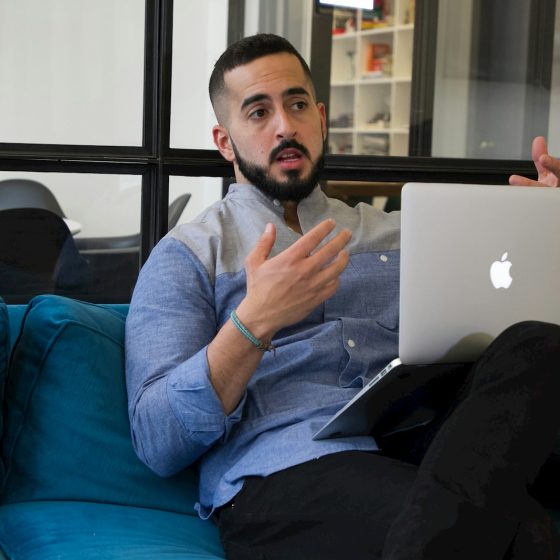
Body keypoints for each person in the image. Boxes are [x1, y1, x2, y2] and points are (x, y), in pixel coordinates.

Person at [125, 33, 560, 559]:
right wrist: (253, 322)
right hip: (288, 470)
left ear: (322, 118)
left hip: (429, 445)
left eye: (297, 104)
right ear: (225, 141)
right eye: (259, 113)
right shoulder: (189, 255)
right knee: (524, 534)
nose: (285, 125)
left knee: (535, 344)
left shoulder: (411, 233)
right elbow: (157, 440)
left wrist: (545, 235)